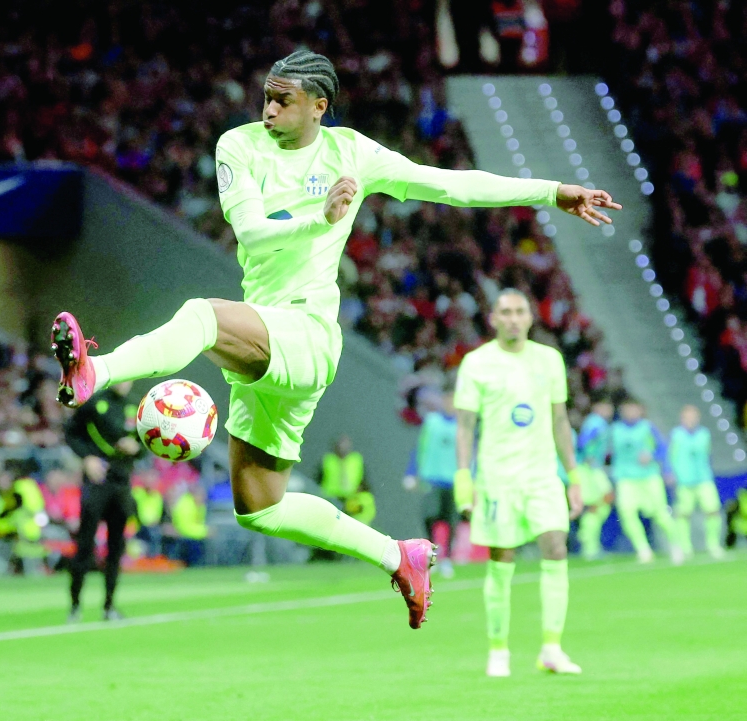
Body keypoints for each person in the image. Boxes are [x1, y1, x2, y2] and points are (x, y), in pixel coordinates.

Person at [49, 49, 621, 630]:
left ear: (319, 106)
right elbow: (249, 230)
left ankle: (96, 371)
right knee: (260, 507)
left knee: (202, 316)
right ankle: (399, 556)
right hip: (265, 336)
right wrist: (318, 219)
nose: (268, 108)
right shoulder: (239, 146)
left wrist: (552, 191)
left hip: (308, 333)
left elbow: (449, 185)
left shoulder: (352, 153)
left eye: (283, 100)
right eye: (266, 96)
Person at [454, 289, 585, 676]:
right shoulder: (476, 364)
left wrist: (573, 476)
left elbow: (561, 421)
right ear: (493, 319)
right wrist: (464, 476)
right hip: (497, 477)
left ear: (531, 317)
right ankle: (498, 649)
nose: (513, 318)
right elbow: (465, 426)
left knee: (556, 545)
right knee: (502, 558)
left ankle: (551, 648)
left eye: (520, 311)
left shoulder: (549, 360)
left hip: (542, 475)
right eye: (505, 312)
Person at [63, 381, 141, 623]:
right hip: (97, 482)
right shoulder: (95, 402)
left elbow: (149, 441)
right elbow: (71, 431)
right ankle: (75, 605)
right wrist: (86, 457)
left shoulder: (136, 407)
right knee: (85, 545)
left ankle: (109, 606)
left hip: (122, 482)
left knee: (116, 547)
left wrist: (137, 447)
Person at [611, 400, 682, 565]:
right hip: (626, 478)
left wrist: (658, 462)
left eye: (633, 409)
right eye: (627, 409)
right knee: (627, 514)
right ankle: (643, 550)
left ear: (640, 410)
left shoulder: (647, 428)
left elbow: (663, 449)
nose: (630, 412)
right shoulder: (615, 430)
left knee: (661, 514)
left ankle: (676, 546)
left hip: (648, 477)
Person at [404, 390, 459, 578]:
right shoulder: (432, 422)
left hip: (453, 479)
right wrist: (411, 473)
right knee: (429, 517)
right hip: (431, 479)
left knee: (451, 521)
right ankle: (431, 557)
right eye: (447, 399)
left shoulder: (462, 425)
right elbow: (420, 447)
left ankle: (447, 560)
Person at [669, 405, 724, 559]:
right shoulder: (677, 434)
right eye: (687, 417)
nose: (691, 420)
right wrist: (673, 473)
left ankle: (713, 545)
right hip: (684, 481)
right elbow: (672, 455)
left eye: (693, 417)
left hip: (704, 478)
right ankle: (685, 547)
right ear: (682, 419)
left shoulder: (704, 434)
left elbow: (707, 454)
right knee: (683, 514)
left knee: (713, 510)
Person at [575, 401, 615, 560]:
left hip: (593, 468)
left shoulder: (601, 423)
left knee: (600, 505)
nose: (609, 410)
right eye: (605, 407)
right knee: (598, 503)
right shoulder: (594, 423)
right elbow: (583, 441)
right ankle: (587, 543)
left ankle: (590, 544)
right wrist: (588, 457)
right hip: (589, 470)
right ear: (596, 408)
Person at [319, 435, 363, 501]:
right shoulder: (329, 459)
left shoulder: (356, 460)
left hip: (350, 499)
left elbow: (363, 481)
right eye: (340, 445)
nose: (342, 448)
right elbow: (319, 478)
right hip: (330, 497)